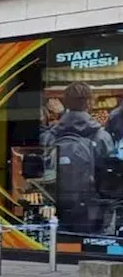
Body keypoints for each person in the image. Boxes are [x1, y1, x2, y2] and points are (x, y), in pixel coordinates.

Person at [41, 82, 114, 236]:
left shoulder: (50, 136)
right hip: (91, 211)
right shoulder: (101, 136)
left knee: (58, 245)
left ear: (65, 102)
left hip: (56, 207)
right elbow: (110, 176)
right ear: (89, 102)